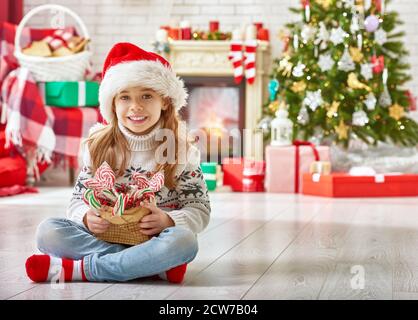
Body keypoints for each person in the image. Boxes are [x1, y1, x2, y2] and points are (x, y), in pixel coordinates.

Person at [25, 42, 211, 283]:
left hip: (154, 239)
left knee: (184, 243)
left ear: (165, 101)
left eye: (146, 95)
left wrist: (168, 220)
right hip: (104, 237)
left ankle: (81, 270)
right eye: (125, 97)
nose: (136, 106)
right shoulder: (97, 145)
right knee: (48, 232)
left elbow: (200, 209)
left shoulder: (182, 151)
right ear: (112, 102)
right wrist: (85, 217)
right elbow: (77, 201)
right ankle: (148, 265)